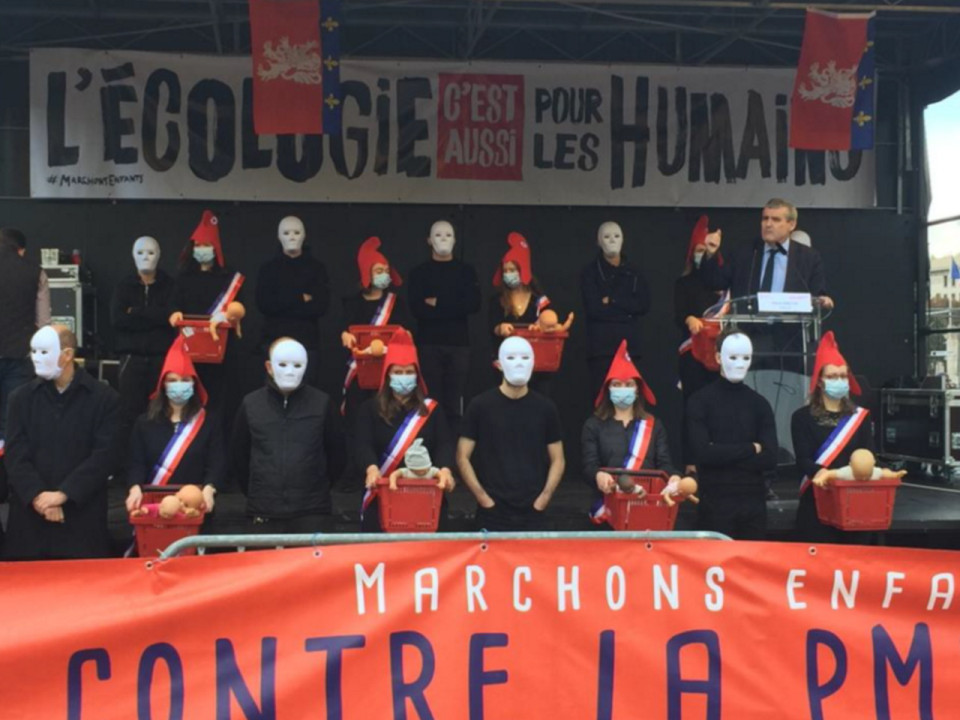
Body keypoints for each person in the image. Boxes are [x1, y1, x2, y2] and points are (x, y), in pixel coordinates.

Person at [4, 325, 119, 559]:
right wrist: (38, 496)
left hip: (81, 518)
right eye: (33, 352)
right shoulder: (20, 399)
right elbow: (15, 454)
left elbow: (105, 455)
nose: (36, 358)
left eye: (43, 352)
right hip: (29, 522)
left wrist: (64, 494)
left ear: (67, 355)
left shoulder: (104, 399)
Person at [229, 337, 345, 533]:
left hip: (312, 512)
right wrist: (258, 492)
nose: (290, 371)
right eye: (282, 364)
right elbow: (239, 454)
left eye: (297, 365)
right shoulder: (251, 404)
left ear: (306, 366)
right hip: (263, 510)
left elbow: (338, 454)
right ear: (269, 366)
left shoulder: (322, 403)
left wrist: (317, 487)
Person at [458, 336, 564, 531]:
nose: (519, 364)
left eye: (525, 358)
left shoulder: (545, 408)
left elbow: (558, 458)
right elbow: (462, 456)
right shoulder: (480, 406)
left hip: (534, 511)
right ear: (498, 364)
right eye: (511, 358)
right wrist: (483, 498)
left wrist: (544, 498)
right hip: (492, 512)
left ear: (533, 363)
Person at [355, 329, 455, 531]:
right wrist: (371, 468)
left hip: (425, 495)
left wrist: (445, 470)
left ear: (417, 376)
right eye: (398, 372)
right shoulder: (369, 409)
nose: (404, 377)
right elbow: (362, 443)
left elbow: (445, 443)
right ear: (388, 375)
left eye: (409, 372)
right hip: (383, 493)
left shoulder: (431, 409)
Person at [686, 329, 777, 540]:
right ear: (718, 357)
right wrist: (751, 448)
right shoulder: (700, 402)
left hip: (753, 504)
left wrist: (721, 453)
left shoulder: (759, 404)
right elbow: (703, 453)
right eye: (733, 357)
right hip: (715, 503)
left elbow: (770, 458)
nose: (739, 363)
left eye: (745, 357)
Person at [125, 336, 223, 519]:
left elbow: (216, 463)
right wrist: (134, 488)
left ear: (194, 383)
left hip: (196, 507)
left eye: (185, 380)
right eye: (173, 380)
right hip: (154, 508)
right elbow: (135, 464)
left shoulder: (209, 422)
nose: (179, 385)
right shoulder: (144, 423)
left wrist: (210, 489)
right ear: (163, 384)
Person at [792, 332, 875, 543]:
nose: (839, 381)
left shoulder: (859, 417)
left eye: (843, 376)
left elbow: (868, 454)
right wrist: (822, 473)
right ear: (819, 381)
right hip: (818, 501)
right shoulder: (801, 417)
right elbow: (802, 460)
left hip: (854, 501)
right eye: (832, 377)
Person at [582, 340, 679, 509]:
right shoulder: (593, 425)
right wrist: (597, 475)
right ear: (608, 389)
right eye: (616, 385)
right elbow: (589, 466)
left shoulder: (654, 425)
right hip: (607, 506)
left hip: (646, 506)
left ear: (637, 389)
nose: (622, 389)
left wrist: (675, 477)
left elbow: (665, 465)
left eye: (629, 385)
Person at [168, 210, 245, 417]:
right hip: (191, 349)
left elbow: (239, 308)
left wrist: (230, 314)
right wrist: (174, 314)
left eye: (207, 245)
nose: (203, 250)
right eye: (199, 246)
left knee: (221, 402)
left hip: (222, 350)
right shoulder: (183, 278)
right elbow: (174, 306)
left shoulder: (229, 278)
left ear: (216, 248)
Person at [407, 220, 481, 429]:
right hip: (428, 344)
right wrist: (455, 303)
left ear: (455, 240)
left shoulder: (466, 271)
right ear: (429, 240)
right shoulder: (419, 273)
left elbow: (474, 304)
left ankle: (453, 453)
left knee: (454, 401)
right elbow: (417, 309)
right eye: (438, 235)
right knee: (430, 399)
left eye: (448, 235)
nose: (443, 239)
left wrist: (437, 302)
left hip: (459, 345)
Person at [111, 236, 176, 470]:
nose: (146, 257)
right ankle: (129, 466)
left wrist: (136, 312)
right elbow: (118, 320)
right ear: (132, 255)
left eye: (150, 252)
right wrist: (155, 315)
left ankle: (161, 464)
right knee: (129, 413)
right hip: (132, 358)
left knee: (162, 411)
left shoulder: (170, 284)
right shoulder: (124, 284)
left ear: (158, 254)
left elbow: (171, 318)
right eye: (140, 252)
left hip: (161, 357)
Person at [699, 198, 832, 308]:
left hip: (790, 334)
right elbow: (714, 283)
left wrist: (822, 301)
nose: (768, 224)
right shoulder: (744, 252)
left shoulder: (808, 257)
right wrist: (711, 253)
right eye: (765, 218)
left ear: (791, 225)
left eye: (775, 220)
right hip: (750, 332)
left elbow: (817, 295)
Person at [674, 216, 725, 469]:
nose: (703, 255)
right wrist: (689, 318)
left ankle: (718, 459)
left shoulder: (725, 286)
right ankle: (691, 463)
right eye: (699, 250)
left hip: (719, 355)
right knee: (693, 409)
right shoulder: (683, 283)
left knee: (721, 409)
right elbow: (677, 315)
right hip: (692, 354)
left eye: (709, 250)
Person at [339, 236, 411, 414]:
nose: (384, 274)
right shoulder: (352, 303)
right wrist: (345, 336)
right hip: (360, 369)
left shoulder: (397, 303)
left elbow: (408, 332)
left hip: (388, 368)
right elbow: (343, 331)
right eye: (379, 270)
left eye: (386, 270)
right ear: (367, 273)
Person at [255, 216, 330, 387]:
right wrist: (300, 298)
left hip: (307, 342)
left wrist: (282, 299)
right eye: (286, 233)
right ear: (279, 236)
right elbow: (264, 304)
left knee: (308, 390)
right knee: (272, 389)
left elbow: (321, 306)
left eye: (296, 232)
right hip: (273, 340)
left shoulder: (317, 268)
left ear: (304, 235)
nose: (292, 237)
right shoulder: (268, 269)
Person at [580, 221, 651, 395]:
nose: (612, 241)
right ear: (598, 241)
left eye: (616, 236)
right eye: (606, 236)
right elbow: (594, 309)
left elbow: (643, 305)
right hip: (601, 349)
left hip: (630, 347)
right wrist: (626, 309)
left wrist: (611, 301)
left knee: (631, 396)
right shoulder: (589, 272)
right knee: (602, 397)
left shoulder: (635, 272)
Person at [488, 232, 555, 394]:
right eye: (505, 271)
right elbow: (491, 326)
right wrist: (501, 328)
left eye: (513, 269)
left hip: (536, 366)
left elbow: (551, 321)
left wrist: (542, 326)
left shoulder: (538, 298)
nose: (508, 274)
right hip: (505, 365)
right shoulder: (497, 299)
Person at [0, 229, 46, 460]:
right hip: (20, 355)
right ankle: (10, 480)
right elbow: (43, 323)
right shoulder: (35, 272)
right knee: (14, 421)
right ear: (21, 250)